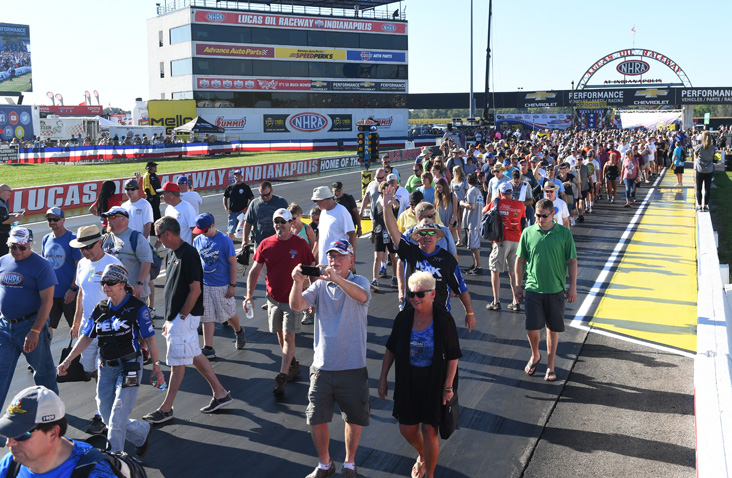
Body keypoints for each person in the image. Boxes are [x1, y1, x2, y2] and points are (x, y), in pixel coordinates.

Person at [57, 264, 163, 457]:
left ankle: (114, 459)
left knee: (117, 416)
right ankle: (141, 432)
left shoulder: (137, 308)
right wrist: (68, 360)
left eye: (110, 282)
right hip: (105, 367)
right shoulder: (100, 308)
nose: (105, 286)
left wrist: (157, 367)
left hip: (130, 366)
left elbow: (150, 339)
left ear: (122, 284)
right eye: (103, 282)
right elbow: (87, 336)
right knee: (107, 416)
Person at [289, 240, 371, 478]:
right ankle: (325, 464)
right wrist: (297, 282)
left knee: (353, 418)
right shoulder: (319, 287)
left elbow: (362, 297)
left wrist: (336, 279)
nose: (334, 261)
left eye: (340, 257)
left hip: (352, 366)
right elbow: (297, 305)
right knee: (316, 418)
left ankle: (350, 463)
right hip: (322, 367)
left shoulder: (359, 281)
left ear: (351, 261)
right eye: (331, 257)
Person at [143, 217, 233, 424]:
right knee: (194, 355)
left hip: (185, 318)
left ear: (168, 234)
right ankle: (220, 393)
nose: (159, 240)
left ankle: (166, 409)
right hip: (178, 318)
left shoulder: (189, 254)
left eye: (159, 236)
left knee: (176, 363)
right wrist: (170, 318)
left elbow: (195, 289)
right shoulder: (173, 253)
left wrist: (181, 316)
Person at [378, 272, 461, 478]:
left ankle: (429, 474)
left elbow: (453, 356)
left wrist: (448, 387)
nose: (415, 299)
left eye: (420, 294)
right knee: (406, 429)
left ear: (432, 294)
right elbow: (391, 349)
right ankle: (422, 455)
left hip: (434, 383)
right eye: (411, 295)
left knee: (430, 431)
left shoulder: (444, 319)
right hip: (408, 381)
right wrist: (382, 380)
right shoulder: (404, 318)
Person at [383, 189, 476, 331]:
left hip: (439, 316)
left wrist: (469, 312)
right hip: (412, 316)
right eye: (423, 233)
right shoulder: (410, 252)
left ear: (437, 237)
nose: (427, 236)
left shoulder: (448, 259)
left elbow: (462, 288)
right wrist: (387, 208)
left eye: (431, 232)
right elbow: (392, 232)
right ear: (417, 237)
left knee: (445, 352)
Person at [246, 208, 314, 396]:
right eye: (276, 222)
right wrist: (249, 296)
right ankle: (292, 363)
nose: (279, 225)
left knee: (289, 336)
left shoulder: (300, 244)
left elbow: (311, 269)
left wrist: (314, 297)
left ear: (290, 224)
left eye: (282, 222)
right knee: (279, 333)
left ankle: (282, 376)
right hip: (273, 299)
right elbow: (254, 271)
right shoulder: (266, 244)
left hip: (293, 301)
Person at [514, 198, 577, 382]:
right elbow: (520, 260)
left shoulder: (564, 233)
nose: (540, 219)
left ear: (553, 214)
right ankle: (535, 354)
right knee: (532, 327)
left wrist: (572, 286)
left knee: (552, 329)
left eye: (543, 216)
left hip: (556, 290)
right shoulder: (528, 232)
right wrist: (518, 285)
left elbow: (572, 261)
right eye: (537, 216)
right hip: (533, 288)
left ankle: (551, 365)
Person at [69, 224, 123, 436]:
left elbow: (123, 297)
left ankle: (103, 414)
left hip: (110, 328)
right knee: (92, 369)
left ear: (99, 242)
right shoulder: (82, 263)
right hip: (87, 327)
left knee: (105, 370)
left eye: (89, 247)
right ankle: (105, 406)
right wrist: (75, 322)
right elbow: (81, 292)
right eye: (82, 248)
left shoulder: (113, 264)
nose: (85, 251)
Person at [0, 227, 59, 408]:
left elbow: (47, 302)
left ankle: (52, 415)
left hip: (30, 326)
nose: (17, 251)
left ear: (30, 244)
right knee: (1, 373)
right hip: (4, 327)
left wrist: (35, 331)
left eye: (21, 247)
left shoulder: (42, 265)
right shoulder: (2, 261)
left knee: (43, 373)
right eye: (12, 247)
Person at [0, 386, 116, 477]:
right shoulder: (11, 462)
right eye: (9, 433)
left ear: (53, 433)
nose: (9, 443)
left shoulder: (94, 473)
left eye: (21, 435)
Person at [192, 213, 247, 359]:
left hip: (222, 285)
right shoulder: (197, 240)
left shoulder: (224, 241)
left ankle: (239, 331)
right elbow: (197, 263)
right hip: (205, 285)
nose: (202, 233)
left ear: (212, 225)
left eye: (205, 230)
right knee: (207, 316)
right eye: (200, 230)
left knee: (227, 314)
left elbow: (233, 263)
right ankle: (208, 348)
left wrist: (232, 285)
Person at [484, 182, 526, 312]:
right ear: (512, 191)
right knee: (513, 272)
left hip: (502, 240)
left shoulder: (498, 202)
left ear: (500, 192)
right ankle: (515, 301)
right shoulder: (520, 204)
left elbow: (484, 211)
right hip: (517, 240)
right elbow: (523, 221)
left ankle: (496, 301)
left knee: (495, 270)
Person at [41, 208, 81, 335]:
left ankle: (81, 354)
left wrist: (73, 289)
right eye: (49, 219)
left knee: (77, 329)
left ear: (63, 220)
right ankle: (46, 353)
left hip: (70, 294)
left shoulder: (73, 238)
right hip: (51, 294)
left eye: (55, 219)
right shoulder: (46, 239)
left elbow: (80, 266)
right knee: (46, 327)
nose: (52, 222)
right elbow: (44, 266)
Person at [100, 206, 152, 302]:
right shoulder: (105, 238)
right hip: (112, 293)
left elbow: (146, 261)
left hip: (133, 292)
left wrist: (139, 284)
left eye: (112, 217)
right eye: (107, 217)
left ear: (123, 219)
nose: (108, 220)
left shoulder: (136, 238)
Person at [312, 186, 356, 265]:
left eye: (316, 200)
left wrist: (351, 261)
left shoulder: (341, 211)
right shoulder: (323, 212)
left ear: (323, 200)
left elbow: (352, 235)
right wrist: (312, 256)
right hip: (324, 264)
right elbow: (320, 236)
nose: (316, 203)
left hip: (338, 265)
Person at [242, 181, 289, 248]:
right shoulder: (254, 203)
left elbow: (289, 221)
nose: (265, 197)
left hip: (277, 243)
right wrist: (244, 240)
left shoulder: (281, 202)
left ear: (272, 191)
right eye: (262, 195)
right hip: (259, 243)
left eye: (267, 195)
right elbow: (248, 223)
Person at [459, 173, 484, 275]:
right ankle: (475, 264)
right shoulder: (478, 190)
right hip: (477, 221)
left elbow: (472, 206)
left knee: (474, 246)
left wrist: (462, 203)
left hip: (472, 222)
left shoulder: (471, 191)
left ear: (467, 181)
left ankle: (478, 266)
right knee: (473, 245)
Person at [223, 170, 254, 241]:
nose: (237, 177)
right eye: (235, 175)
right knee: (231, 230)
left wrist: (246, 209)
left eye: (239, 175)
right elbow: (225, 198)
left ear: (242, 177)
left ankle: (245, 245)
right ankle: (230, 245)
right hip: (232, 213)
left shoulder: (245, 187)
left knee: (244, 230)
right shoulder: (230, 187)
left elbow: (252, 199)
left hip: (242, 213)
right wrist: (226, 208)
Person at [694, 130, 716, 211]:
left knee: (698, 188)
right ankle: (706, 206)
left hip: (700, 169)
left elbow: (696, 156)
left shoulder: (699, 147)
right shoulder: (713, 148)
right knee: (707, 188)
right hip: (709, 170)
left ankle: (699, 206)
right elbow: (713, 157)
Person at [0, 185, 23, 257]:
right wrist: (17, 219)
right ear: (2, 191)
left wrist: (13, 215)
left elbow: (4, 216)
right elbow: (3, 221)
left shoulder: (2, 203)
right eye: (9, 193)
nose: (9, 196)